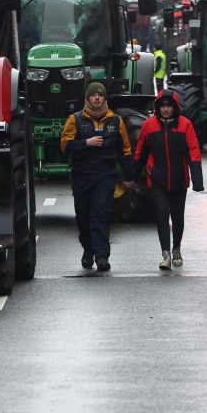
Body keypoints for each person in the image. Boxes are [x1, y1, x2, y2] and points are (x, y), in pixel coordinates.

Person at [60, 81, 137, 272]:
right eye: (93, 95)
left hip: (105, 175)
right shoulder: (74, 120)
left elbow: (125, 151)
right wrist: (86, 142)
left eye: (100, 95)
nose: (96, 98)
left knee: (100, 213)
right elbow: (65, 147)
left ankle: (102, 256)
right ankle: (88, 250)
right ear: (87, 99)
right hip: (81, 175)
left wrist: (129, 176)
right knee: (83, 216)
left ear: (104, 98)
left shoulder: (116, 121)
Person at [134, 89, 203, 270]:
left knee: (177, 216)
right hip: (157, 179)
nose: (165, 109)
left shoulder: (185, 125)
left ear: (174, 107)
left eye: (169, 106)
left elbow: (193, 152)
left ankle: (177, 249)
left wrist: (197, 180)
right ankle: (165, 253)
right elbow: (140, 153)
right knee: (161, 213)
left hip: (179, 179)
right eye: (162, 106)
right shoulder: (149, 126)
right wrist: (131, 176)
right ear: (158, 107)